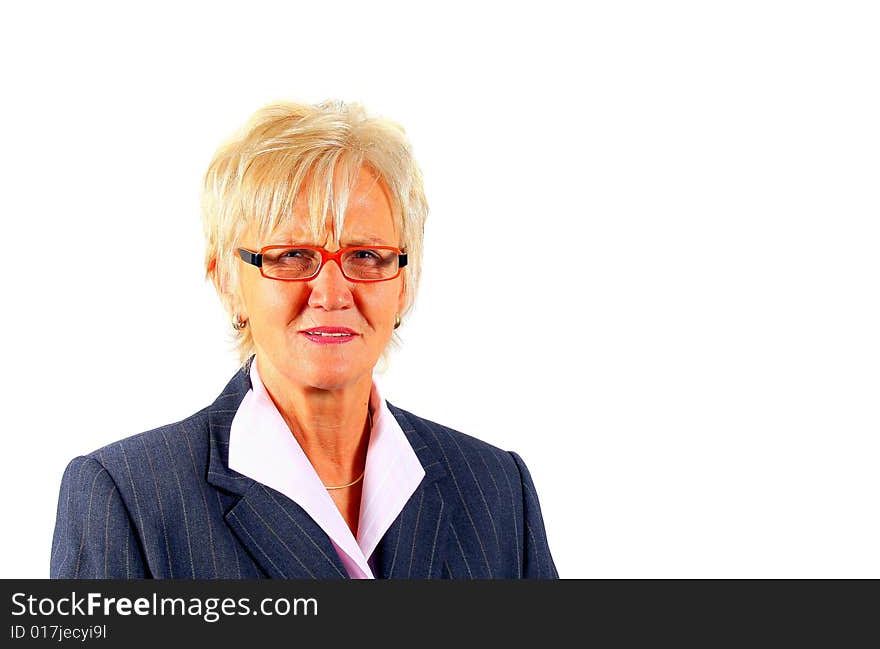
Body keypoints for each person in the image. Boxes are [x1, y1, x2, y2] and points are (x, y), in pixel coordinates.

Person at [50, 100, 558, 579]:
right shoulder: (125, 497)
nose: (332, 293)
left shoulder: (495, 488)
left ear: (405, 281)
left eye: (366, 255)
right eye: (291, 255)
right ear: (229, 280)